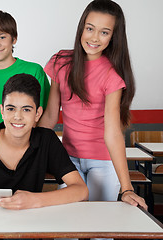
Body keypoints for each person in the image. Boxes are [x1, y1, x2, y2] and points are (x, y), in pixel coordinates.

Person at [39, 0, 147, 210]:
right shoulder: (61, 62)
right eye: (90, 29)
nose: (94, 37)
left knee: (99, 227)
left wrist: (127, 188)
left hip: (103, 161)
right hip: (68, 159)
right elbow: (51, 116)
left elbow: (113, 132)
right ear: (82, 28)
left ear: (114, 36)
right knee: (69, 223)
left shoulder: (111, 75)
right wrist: (26, 150)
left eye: (104, 32)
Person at [0, 74, 88, 210]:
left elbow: (81, 190)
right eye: (11, 109)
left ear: (37, 114)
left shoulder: (46, 140)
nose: (17, 116)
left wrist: (35, 200)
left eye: (26, 110)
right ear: (2, 111)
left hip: (27, 229)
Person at [0, 9, 50, 130]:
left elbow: (44, 113)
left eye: (2, 37)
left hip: (26, 142)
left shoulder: (34, 71)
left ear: (13, 39)